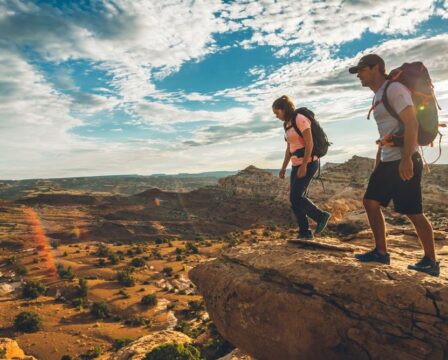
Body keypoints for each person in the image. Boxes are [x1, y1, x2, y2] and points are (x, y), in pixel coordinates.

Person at [348, 54, 439, 276]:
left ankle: (431, 260)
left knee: (413, 211)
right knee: (370, 201)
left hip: (404, 159)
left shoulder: (394, 90)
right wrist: (379, 160)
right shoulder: (379, 95)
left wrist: (407, 158)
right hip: (388, 160)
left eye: (362, 70)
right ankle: (381, 252)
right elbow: (387, 132)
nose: (358, 75)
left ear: (376, 68)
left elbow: (412, 123)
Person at [272, 95, 331, 240]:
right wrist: (283, 168)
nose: (276, 116)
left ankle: (321, 216)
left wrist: (304, 165)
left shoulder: (300, 119)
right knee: (295, 199)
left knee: (296, 196)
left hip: (309, 163)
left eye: (277, 112)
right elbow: (289, 148)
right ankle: (304, 232)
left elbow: (309, 144)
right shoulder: (286, 124)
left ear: (284, 109)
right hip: (295, 164)